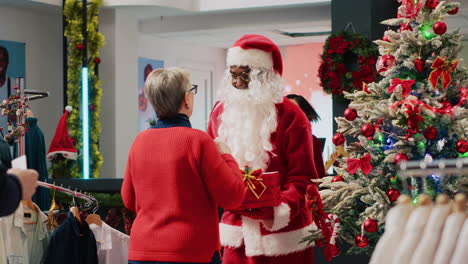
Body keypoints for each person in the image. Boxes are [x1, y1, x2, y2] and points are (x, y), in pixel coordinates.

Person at [207, 34, 320, 264]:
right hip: (236, 234)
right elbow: (211, 168)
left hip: (284, 240)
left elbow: (304, 177)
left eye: (244, 76)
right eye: (233, 75)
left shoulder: (292, 116)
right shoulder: (221, 113)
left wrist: (278, 210)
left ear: (263, 77)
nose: (237, 83)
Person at [121, 67, 246, 264]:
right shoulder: (199, 142)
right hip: (191, 253)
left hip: (142, 251)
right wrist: (226, 156)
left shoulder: (139, 141)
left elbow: (128, 199)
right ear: (186, 99)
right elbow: (234, 196)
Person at [286, 94, 326, 178]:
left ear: (305, 114)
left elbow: (319, 176)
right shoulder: (270, 141)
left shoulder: (312, 141)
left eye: (294, 109)